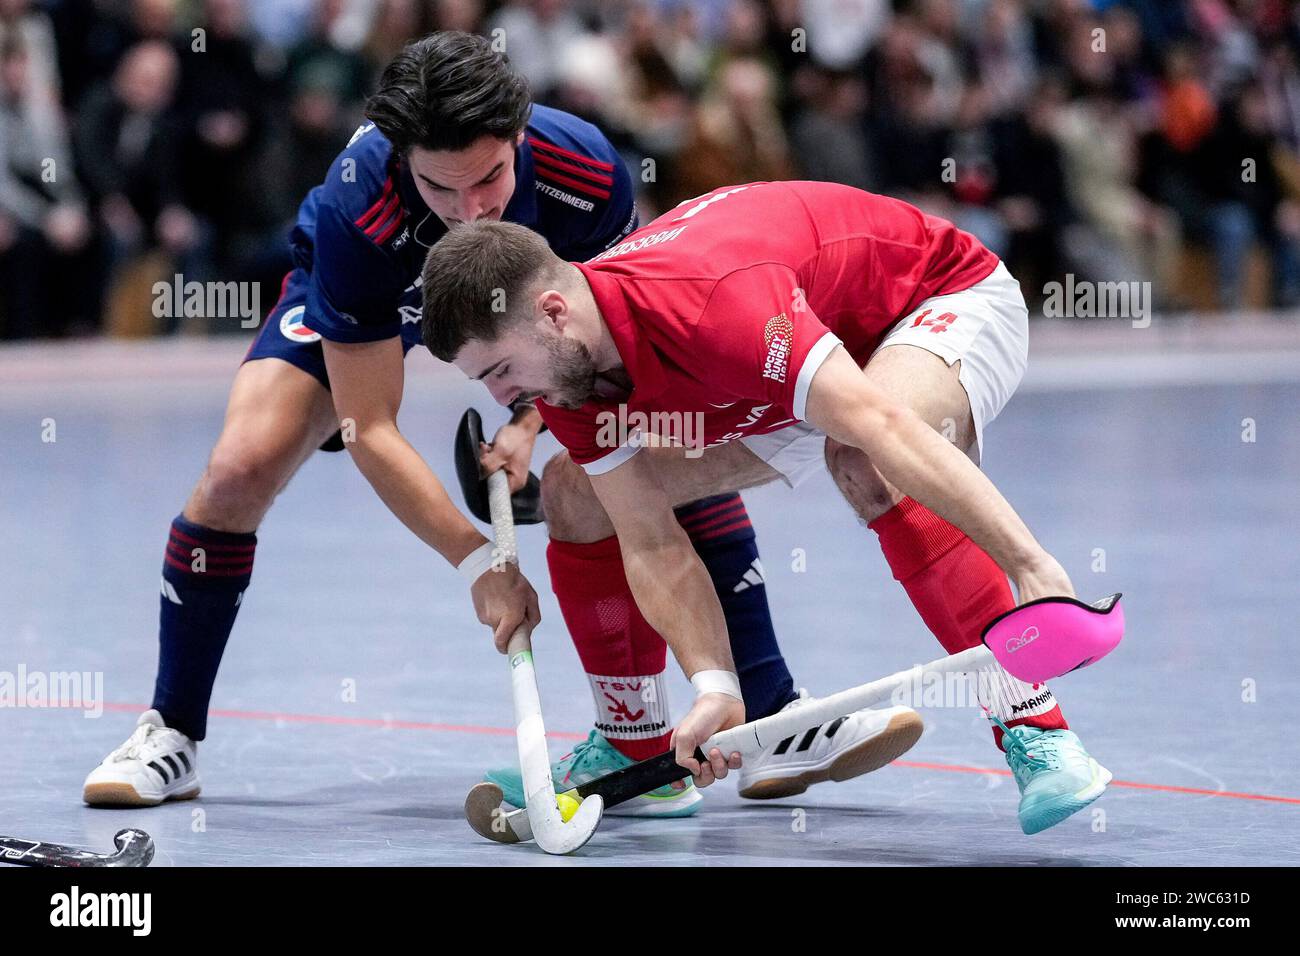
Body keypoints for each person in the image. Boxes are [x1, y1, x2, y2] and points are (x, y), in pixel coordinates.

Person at [82, 33, 912, 815]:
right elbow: (370, 426)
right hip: (382, 301)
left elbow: (611, 366)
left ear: (518, 137)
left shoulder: (582, 173)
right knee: (238, 470)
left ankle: (770, 714)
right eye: (440, 188)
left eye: (488, 180)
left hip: (521, 308)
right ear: (403, 156)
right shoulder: (358, 209)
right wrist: (479, 561)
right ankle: (171, 732)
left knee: (645, 442)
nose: (469, 210)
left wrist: (526, 422)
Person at [420, 180, 1112, 834]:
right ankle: (635, 744)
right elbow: (651, 540)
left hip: (932, 302)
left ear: (551, 313)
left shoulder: (713, 303)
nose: (503, 397)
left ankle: (1037, 730)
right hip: (798, 364)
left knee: (862, 453)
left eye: (501, 371)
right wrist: (716, 685)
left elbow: (882, 425)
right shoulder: (571, 378)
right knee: (575, 494)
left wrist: (1031, 566)